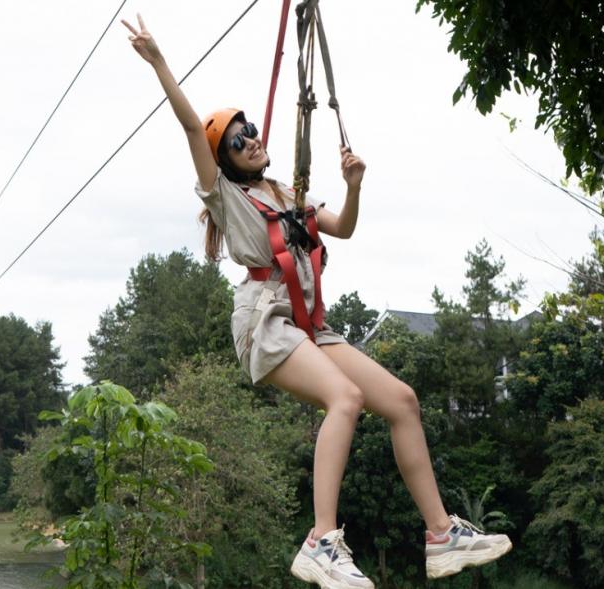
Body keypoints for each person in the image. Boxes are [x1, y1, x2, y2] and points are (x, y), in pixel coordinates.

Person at [122, 14, 512, 587]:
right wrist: (159, 62)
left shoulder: (288, 193)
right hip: (267, 320)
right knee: (346, 399)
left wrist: (353, 185)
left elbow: (344, 228)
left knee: (402, 401)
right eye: (237, 140)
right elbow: (188, 128)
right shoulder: (229, 198)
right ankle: (322, 541)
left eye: (250, 129)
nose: (251, 138)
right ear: (224, 161)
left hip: (310, 324)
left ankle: (440, 535)